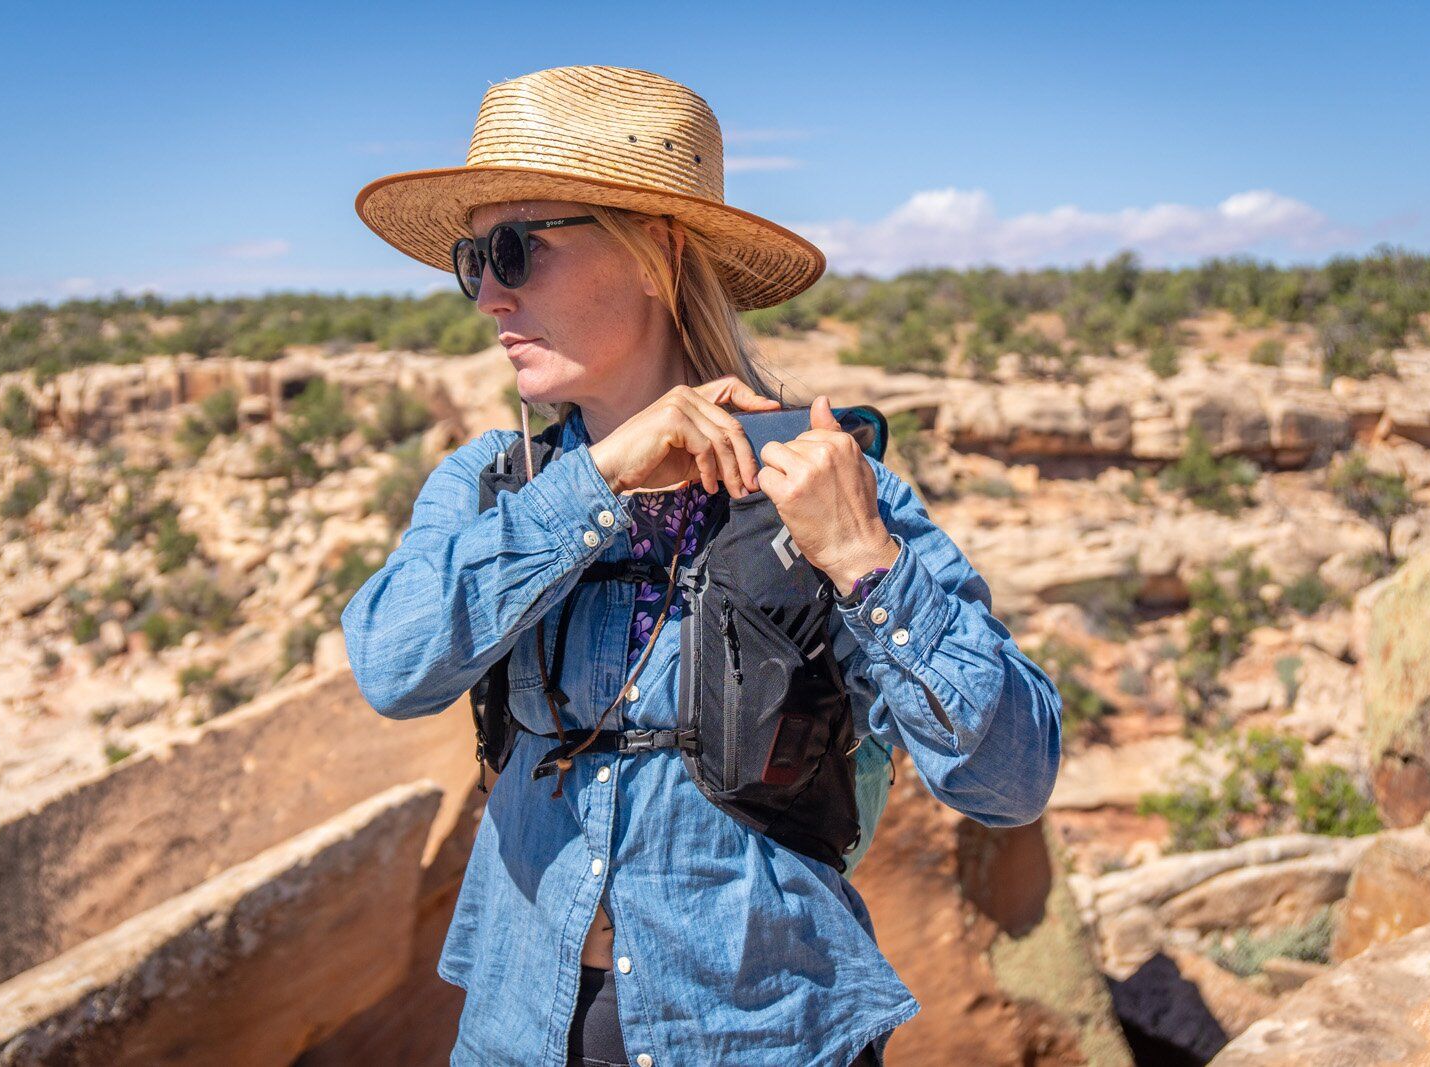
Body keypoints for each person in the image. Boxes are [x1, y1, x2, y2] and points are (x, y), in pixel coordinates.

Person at [342, 65, 1062, 1067]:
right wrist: (601, 478)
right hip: (523, 1026)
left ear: (657, 256)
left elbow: (1012, 779)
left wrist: (863, 562)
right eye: (473, 259)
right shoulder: (490, 488)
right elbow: (392, 662)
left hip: (765, 1033)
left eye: (515, 249)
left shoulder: (825, 480)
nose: (488, 294)